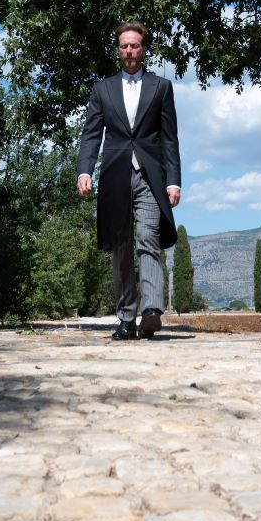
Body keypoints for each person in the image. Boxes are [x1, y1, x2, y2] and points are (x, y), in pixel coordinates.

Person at [77, 20, 181, 340]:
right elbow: (91, 134)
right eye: (124, 46)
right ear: (118, 50)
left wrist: (173, 180)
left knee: (148, 238)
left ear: (144, 48)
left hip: (150, 177)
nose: (129, 51)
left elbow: (169, 138)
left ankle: (151, 312)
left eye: (134, 45)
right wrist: (84, 171)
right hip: (115, 176)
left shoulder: (161, 87)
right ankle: (125, 317)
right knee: (121, 246)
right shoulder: (102, 89)